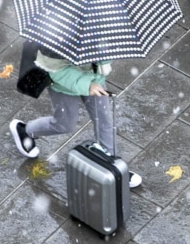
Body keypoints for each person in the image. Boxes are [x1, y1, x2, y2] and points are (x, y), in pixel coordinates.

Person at [10, 49, 141, 188]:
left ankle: (111, 167)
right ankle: (26, 130)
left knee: (105, 122)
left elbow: (106, 56)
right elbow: (55, 69)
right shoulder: (54, 42)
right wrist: (87, 85)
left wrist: (103, 55)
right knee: (64, 124)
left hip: (95, 79)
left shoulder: (102, 34)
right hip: (63, 87)